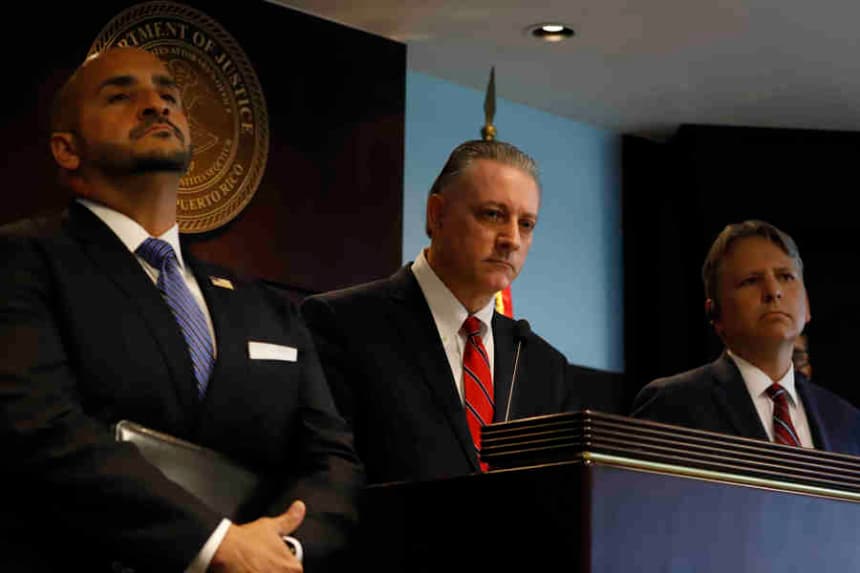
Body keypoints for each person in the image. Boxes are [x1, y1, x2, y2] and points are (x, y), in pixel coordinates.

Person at [0, 47, 361, 572]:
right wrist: (215, 544)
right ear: (66, 149)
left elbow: (332, 459)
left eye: (168, 95)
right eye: (121, 95)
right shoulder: (22, 261)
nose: (156, 105)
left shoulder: (264, 305)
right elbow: (40, 429)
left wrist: (283, 548)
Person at [301, 140, 574, 485]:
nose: (512, 240)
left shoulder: (544, 367)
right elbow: (327, 479)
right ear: (437, 214)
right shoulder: (342, 323)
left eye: (526, 224)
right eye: (493, 215)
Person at [632, 220, 859, 455]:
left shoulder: (847, 422)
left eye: (786, 277)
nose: (773, 291)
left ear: (807, 305)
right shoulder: (673, 405)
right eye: (751, 281)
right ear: (715, 313)